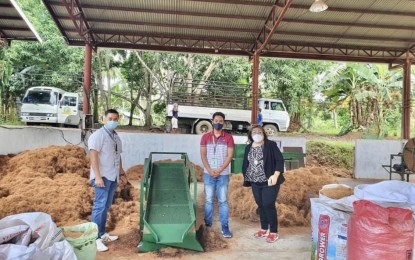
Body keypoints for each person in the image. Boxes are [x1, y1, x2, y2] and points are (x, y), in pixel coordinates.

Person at [88, 109, 126, 252]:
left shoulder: (115, 137)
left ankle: (102, 234)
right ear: (104, 119)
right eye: (110, 118)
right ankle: (95, 238)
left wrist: (122, 173)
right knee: (99, 206)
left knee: (106, 206)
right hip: (102, 176)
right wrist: (97, 177)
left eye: (115, 119)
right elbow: (93, 156)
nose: (113, 121)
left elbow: (118, 156)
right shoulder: (98, 135)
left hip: (113, 176)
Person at [242, 125, 285, 243]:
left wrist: (276, 175)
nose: (257, 134)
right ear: (250, 135)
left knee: (268, 204)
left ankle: (273, 232)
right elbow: (247, 163)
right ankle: (264, 228)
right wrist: (247, 177)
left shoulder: (270, 145)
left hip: (269, 181)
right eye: (254, 132)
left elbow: (280, 160)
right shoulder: (248, 147)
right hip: (255, 181)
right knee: (260, 205)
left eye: (259, 132)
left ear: (263, 133)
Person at [200, 112, 234, 238]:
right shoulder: (205, 137)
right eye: (216, 120)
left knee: (223, 201)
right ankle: (208, 227)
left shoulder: (229, 137)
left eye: (220, 121)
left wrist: (219, 170)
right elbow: (203, 155)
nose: (218, 123)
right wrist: (209, 170)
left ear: (223, 122)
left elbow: (230, 156)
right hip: (208, 173)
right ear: (212, 121)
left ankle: (225, 228)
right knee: (208, 200)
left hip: (223, 174)